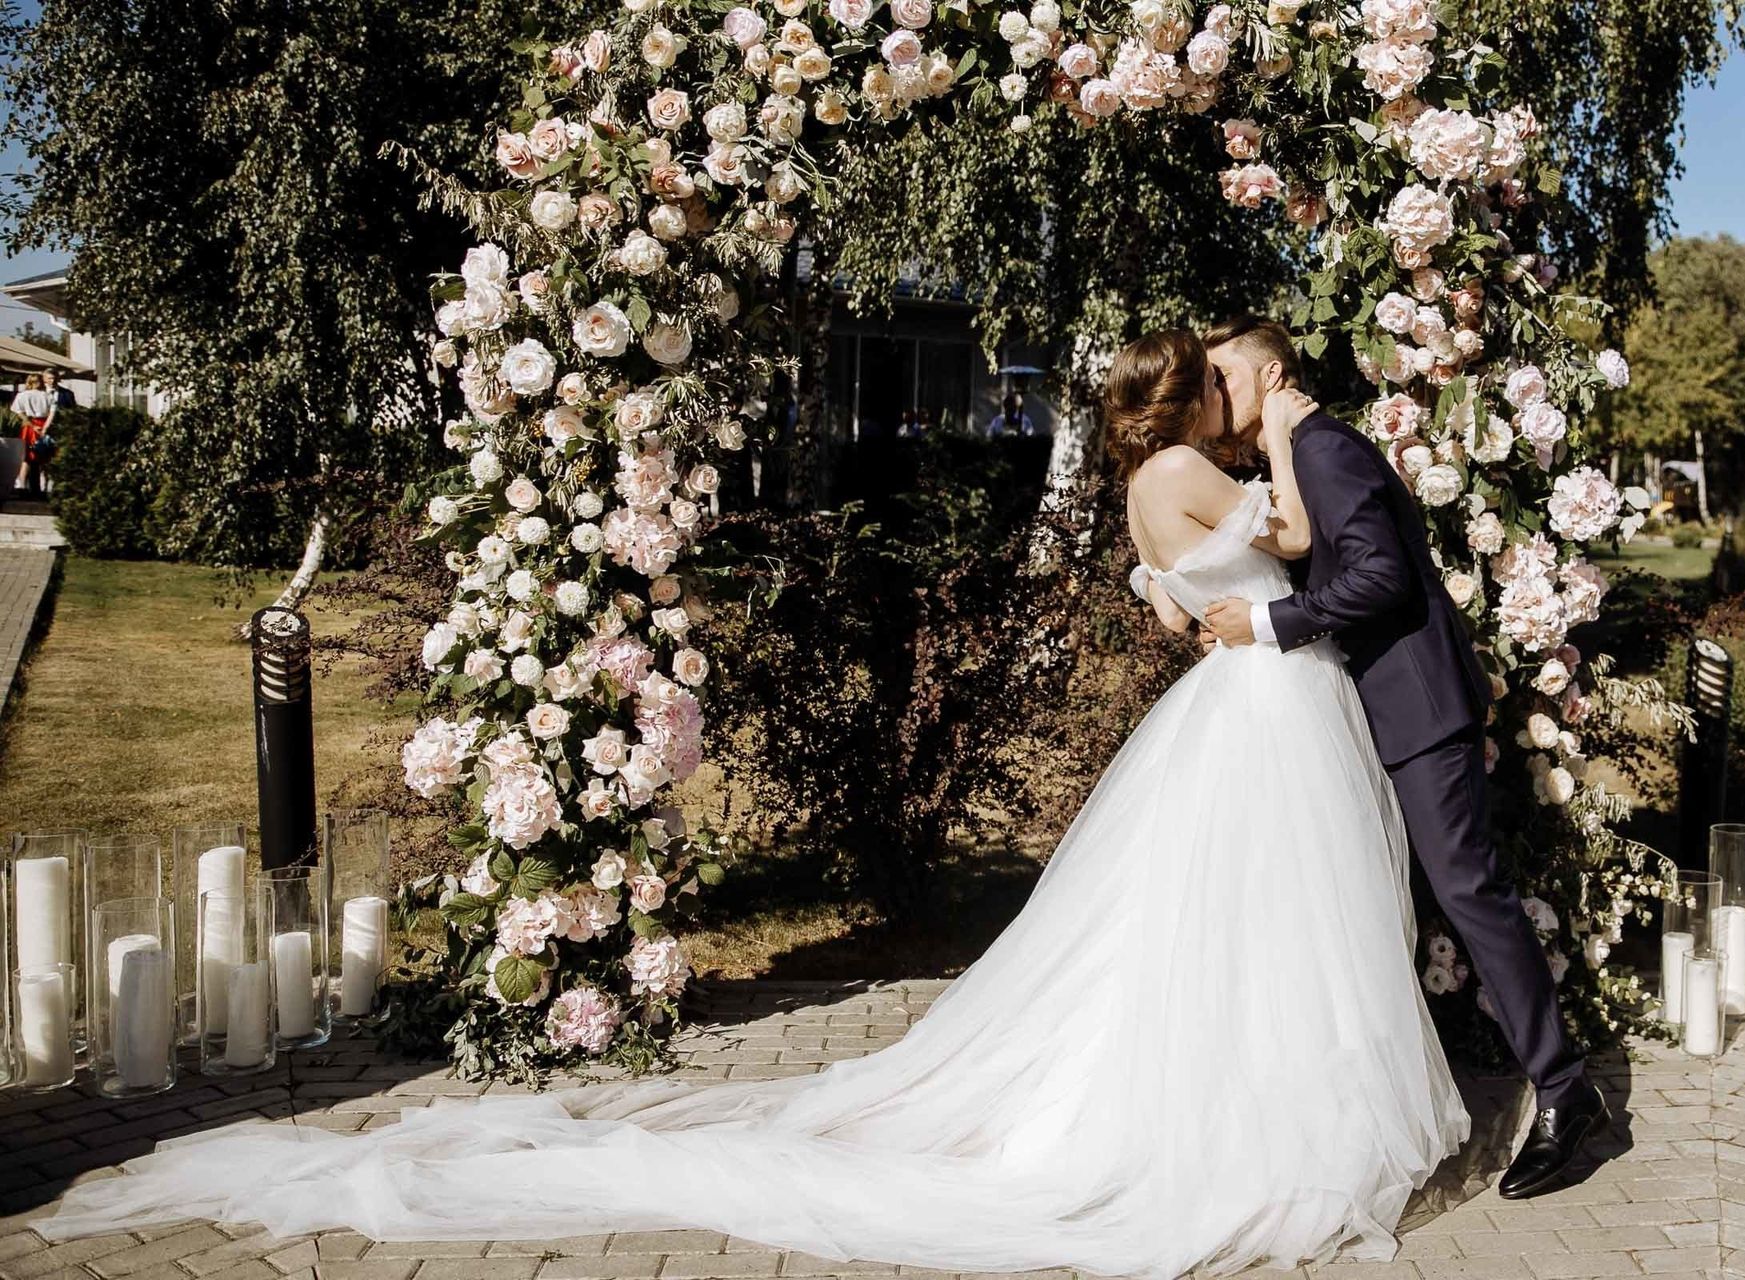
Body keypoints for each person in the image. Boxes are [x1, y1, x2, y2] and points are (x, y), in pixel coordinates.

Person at [38, 329, 1471, 1277]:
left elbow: (1171, 600)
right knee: (1270, 914)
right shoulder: (1199, 468)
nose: (1228, 394)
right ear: (1181, 399)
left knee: (1218, 918)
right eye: (1212, 380)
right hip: (1266, 707)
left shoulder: (1145, 490)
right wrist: (1295, 424)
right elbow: (1300, 538)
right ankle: (1265, 1111)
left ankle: (1231, 1091)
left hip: (1233, 704)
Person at [1194, 315, 1607, 1200]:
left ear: (1272, 376)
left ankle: (1569, 1097)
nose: (1211, 390)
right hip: (1369, 713)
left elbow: (1379, 577)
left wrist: (1264, 623)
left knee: (1469, 892)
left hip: (1416, 709)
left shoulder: (1324, 449)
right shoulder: (1294, 455)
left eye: (1223, 374)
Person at [8, 372, 55, 497]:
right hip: (44, 424)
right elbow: (52, 413)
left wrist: (31, 424)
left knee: (27, 458)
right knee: (44, 457)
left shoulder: (22, 395)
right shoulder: (48, 396)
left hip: (29, 425)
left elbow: (18, 411)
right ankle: (42, 487)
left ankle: (22, 486)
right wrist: (45, 428)